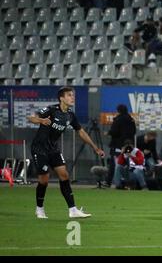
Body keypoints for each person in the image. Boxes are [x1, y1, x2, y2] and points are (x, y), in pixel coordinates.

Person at [28, 87, 105, 219]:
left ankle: (73, 210)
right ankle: (39, 209)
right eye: (69, 95)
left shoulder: (70, 115)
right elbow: (31, 117)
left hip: (53, 149)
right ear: (62, 98)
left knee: (64, 175)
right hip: (39, 148)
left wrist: (95, 147)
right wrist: (41, 120)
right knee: (44, 180)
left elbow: (81, 131)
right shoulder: (51, 110)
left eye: (73, 95)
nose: (72, 97)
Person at [106, 104, 136, 186]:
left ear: (119, 110)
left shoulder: (118, 119)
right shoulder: (131, 119)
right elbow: (134, 132)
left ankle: (111, 182)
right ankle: (128, 182)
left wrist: (109, 133)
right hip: (128, 145)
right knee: (128, 163)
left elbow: (114, 131)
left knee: (114, 164)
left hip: (117, 145)